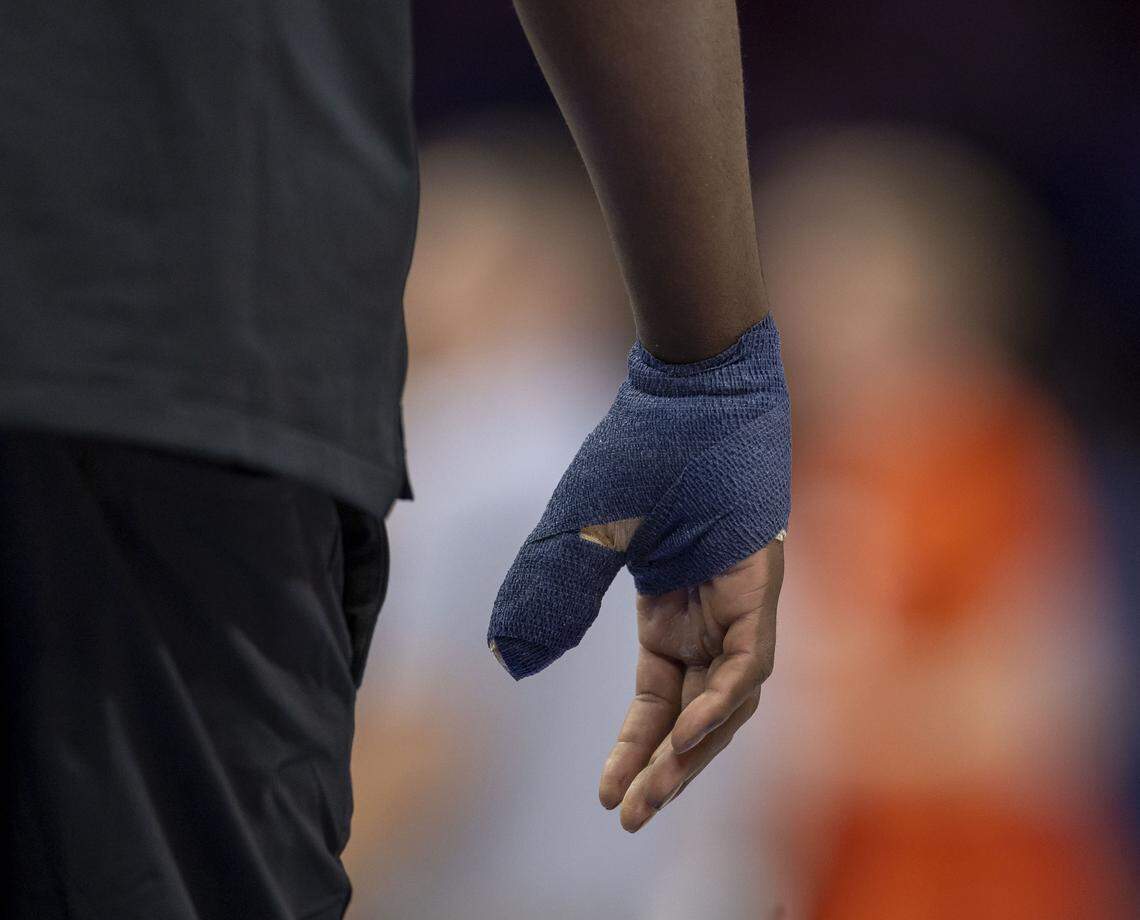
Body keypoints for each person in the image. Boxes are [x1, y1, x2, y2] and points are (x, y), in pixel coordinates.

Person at [0, 2, 791, 917]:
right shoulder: (649, 482)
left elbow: (416, 756)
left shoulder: (481, 449)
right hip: (182, 379)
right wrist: (716, 379)